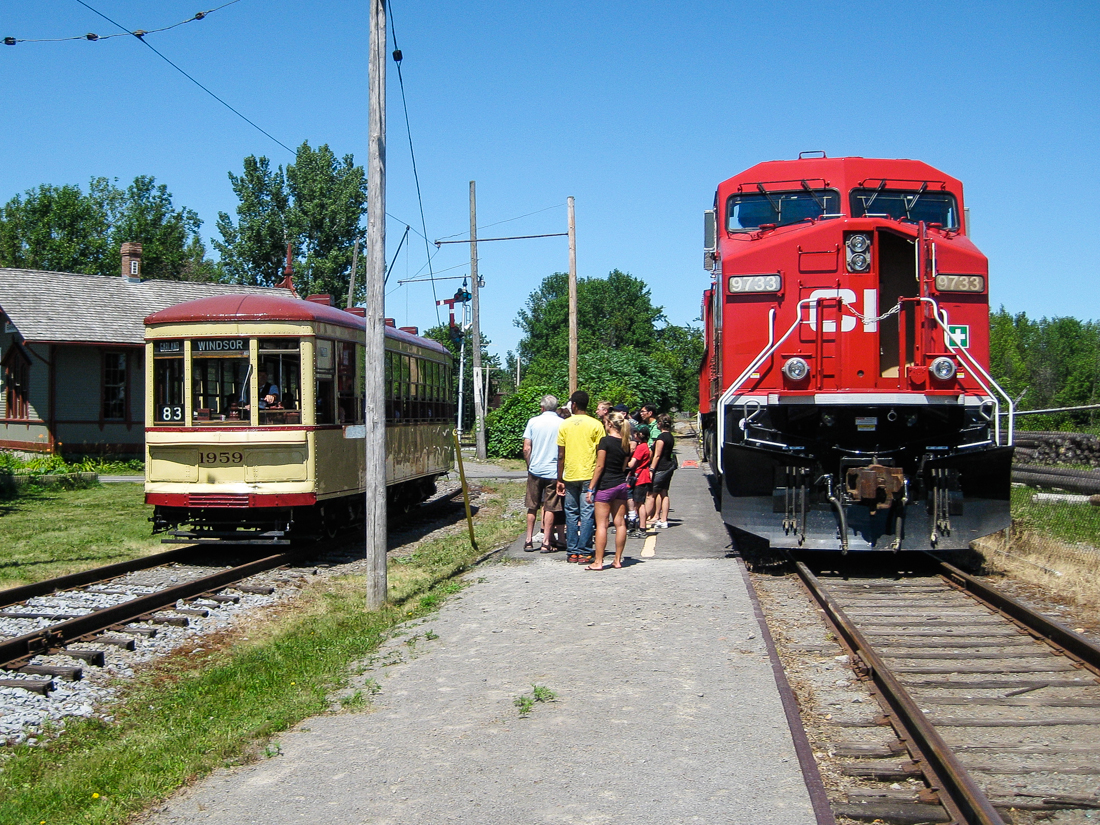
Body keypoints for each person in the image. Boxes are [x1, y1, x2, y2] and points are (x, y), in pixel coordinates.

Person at [556, 390, 604, 564]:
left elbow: (561, 455)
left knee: (570, 512)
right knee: (587, 513)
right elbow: (600, 452)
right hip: (589, 475)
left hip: (569, 475)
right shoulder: (596, 425)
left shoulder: (564, 425)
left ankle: (572, 552)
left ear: (573, 405)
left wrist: (559, 478)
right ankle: (584, 551)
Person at [585, 411, 632, 570]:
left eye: (605, 423)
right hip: (621, 485)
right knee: (620, 523)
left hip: (606, 486)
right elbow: (624, 467)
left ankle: (598, 562)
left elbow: (600, 466)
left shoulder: (605, 441)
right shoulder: (626, 443)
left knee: (602, 525)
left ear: (610, 424)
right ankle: (618, 560)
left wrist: (591, 487)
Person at [522, 394, 563, 551]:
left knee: (532, 506)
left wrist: (529, 465)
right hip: (553, 471)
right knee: (551, 506)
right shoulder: (561, 423)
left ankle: (528, 540)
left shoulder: (533, 422)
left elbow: (527, 447)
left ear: (542, 407)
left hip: (536, 469)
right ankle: (546, 542)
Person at [650, 413, 676, 529]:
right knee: (664, 493)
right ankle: (663, 519)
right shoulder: (670, 436)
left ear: (660, 424)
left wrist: (651, 469)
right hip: (669, 466)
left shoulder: (661, 438)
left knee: (652, 493)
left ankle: (653, 517)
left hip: (661, 467)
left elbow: (657, 455)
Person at [626, 423, 652, 538]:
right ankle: (638, 526)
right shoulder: (645, 446)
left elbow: (632, 464)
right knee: (637, 502)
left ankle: (642, 527)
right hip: (641, 475)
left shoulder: (641, 447)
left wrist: (624, 461)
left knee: (639, 503)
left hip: (640, 476)